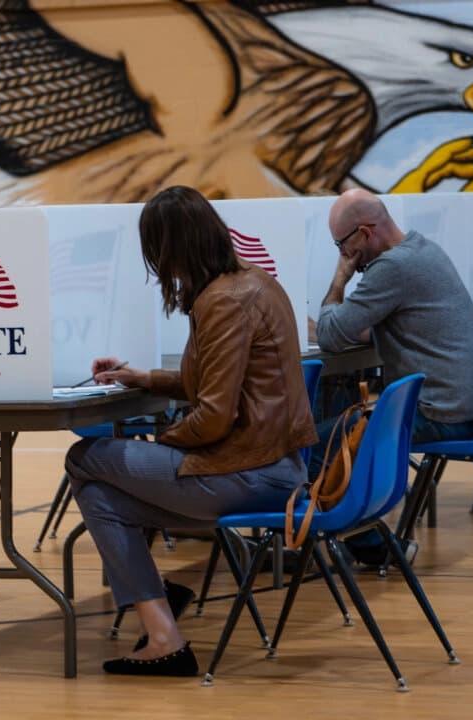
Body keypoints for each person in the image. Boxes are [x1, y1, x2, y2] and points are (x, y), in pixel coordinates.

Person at [65, 185, 318, 677]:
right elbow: (218, 384)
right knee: (103, 497)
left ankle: (159, 609)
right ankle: (163, 631)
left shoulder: (222, 301)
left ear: (168, 248)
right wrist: (143, 377)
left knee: (85, 460)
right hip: (275, 467)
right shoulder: (256, 283)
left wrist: (159, 447)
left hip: (247, 473)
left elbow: (214, 417)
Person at [307, 188, 473, 562]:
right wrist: (339, 323)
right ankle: (356, 539)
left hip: (442, 413)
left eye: (342, 245)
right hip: (468, 405)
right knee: (347, 426)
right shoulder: (421, 249)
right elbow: (366, 327)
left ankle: (349, 546)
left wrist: (339, 281)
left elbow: (331, 334)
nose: (344, 254)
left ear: (364, 232)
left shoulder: (392, 268)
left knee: (318, 446)